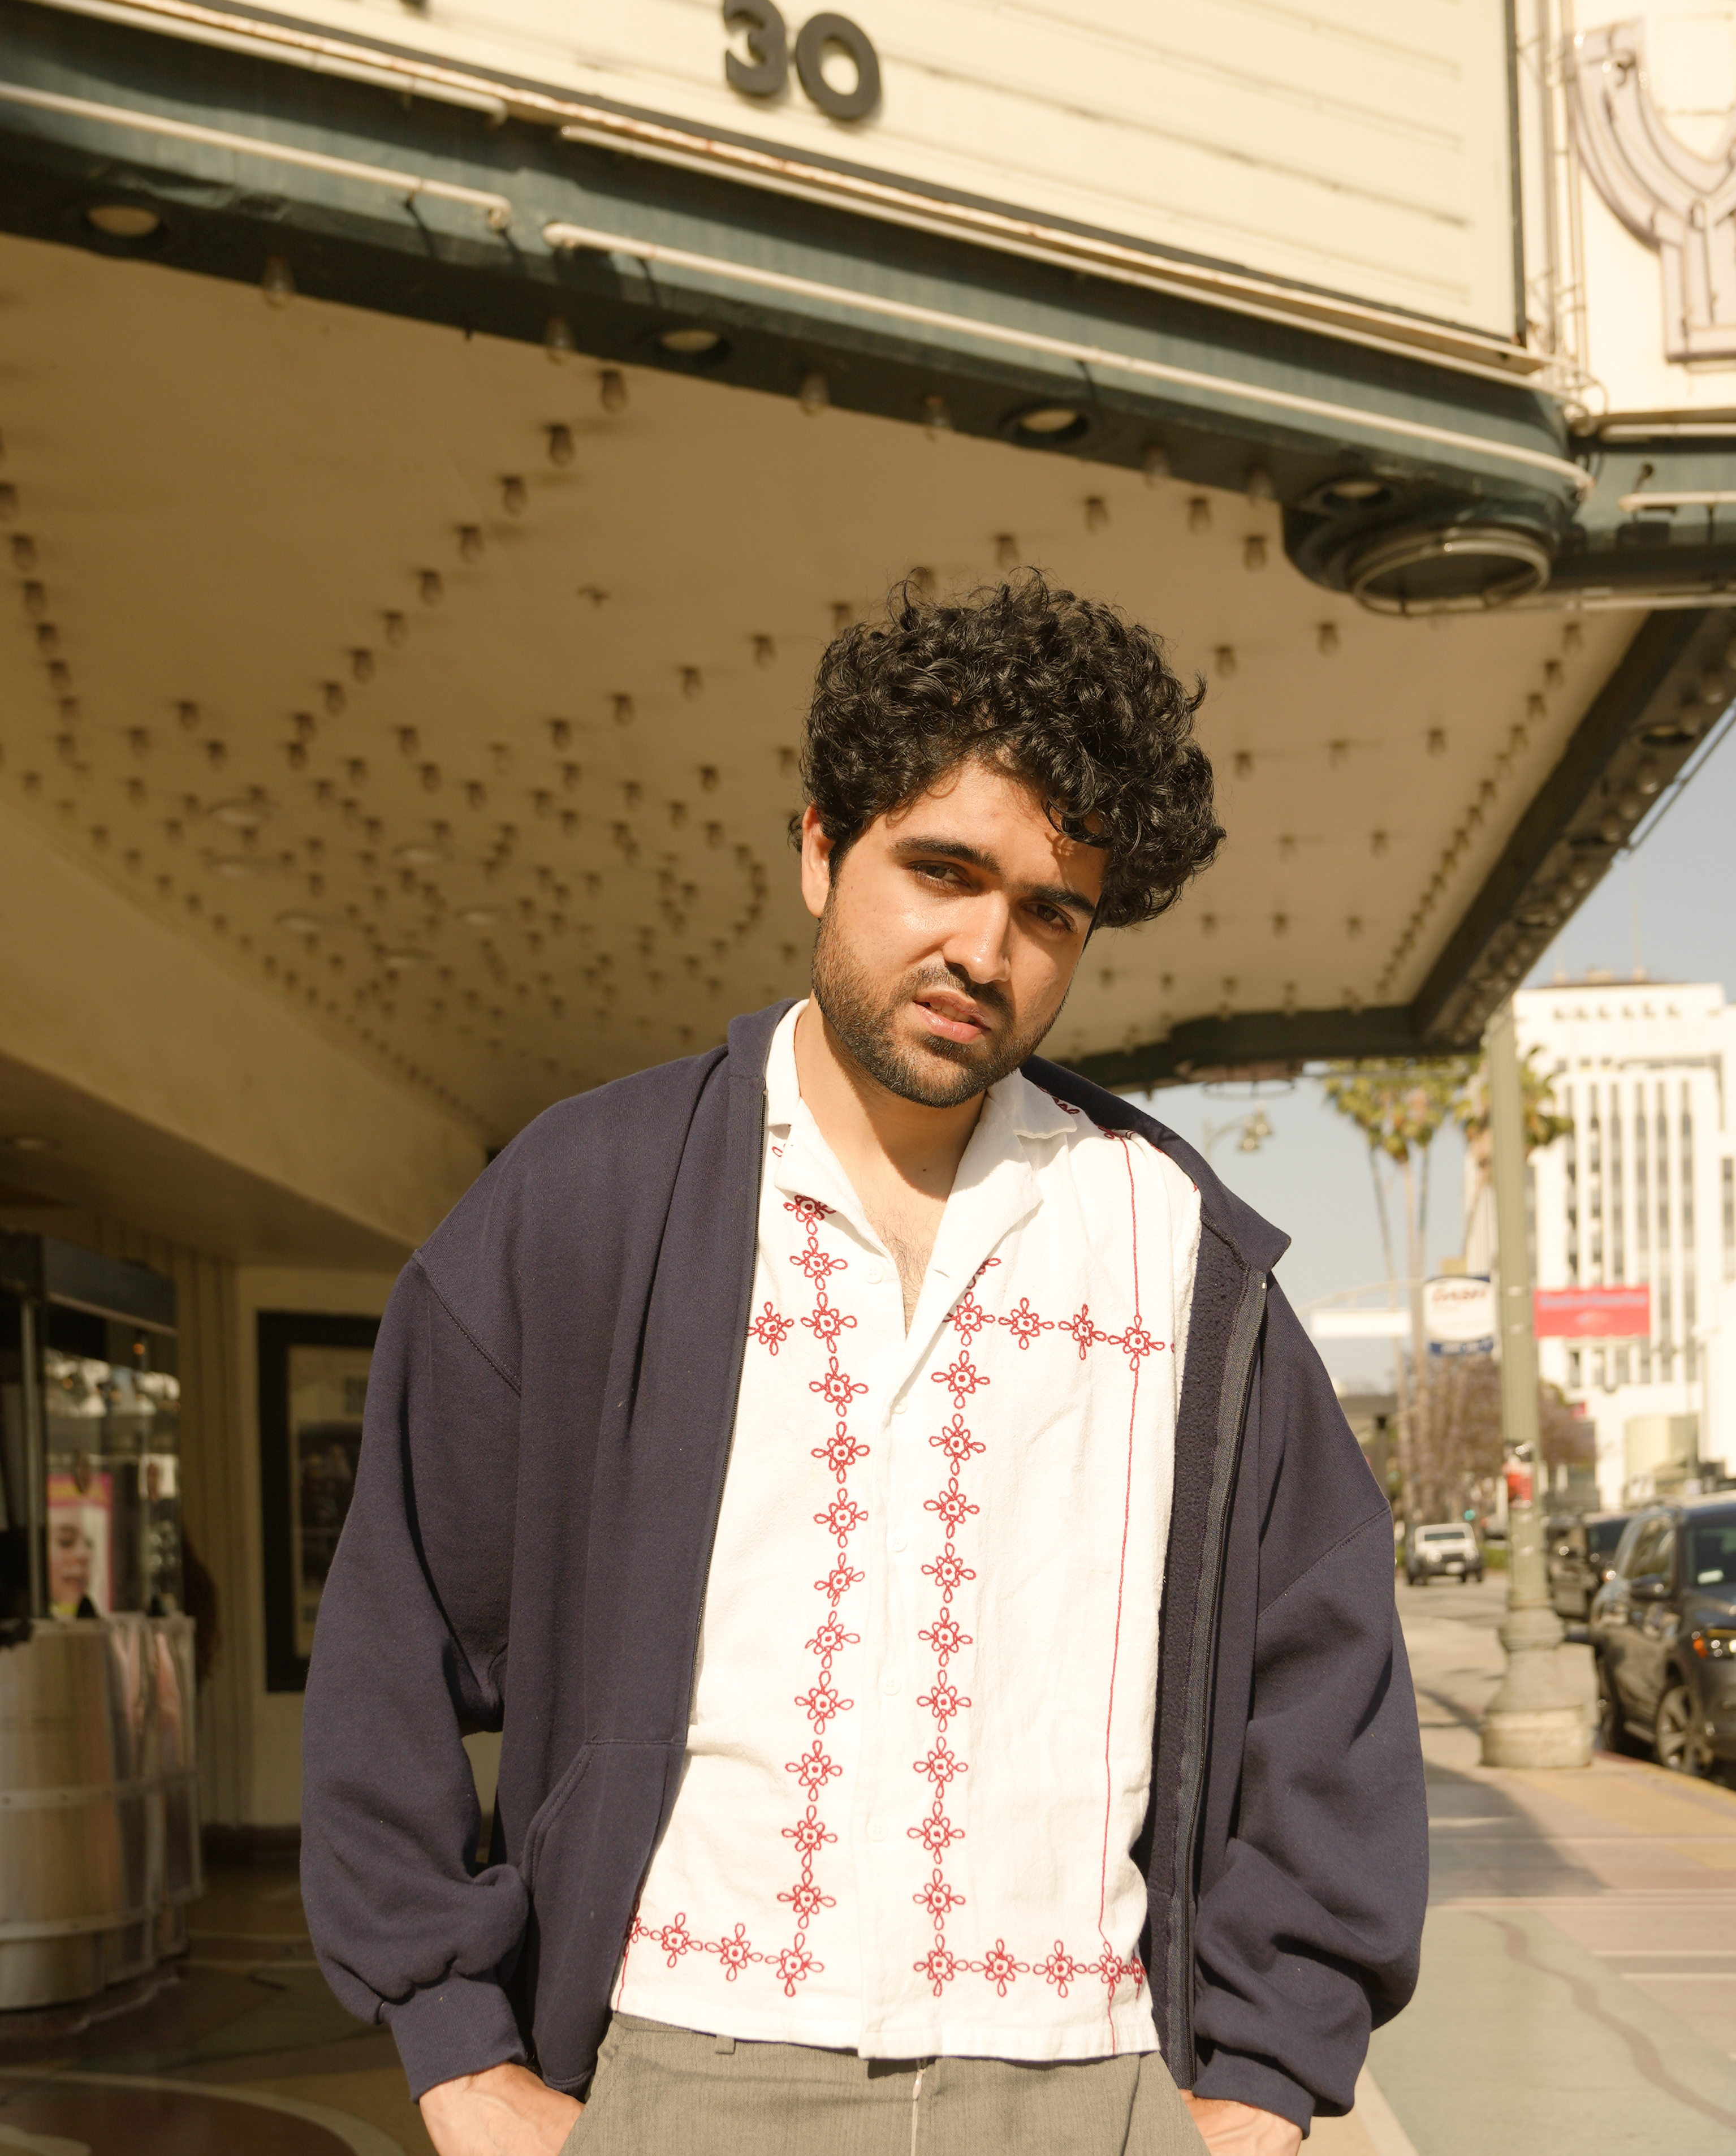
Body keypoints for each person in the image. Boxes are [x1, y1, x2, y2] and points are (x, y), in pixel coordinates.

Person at [303, 574, 1427, 2156]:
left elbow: (1326, 1676)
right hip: (685, 2067)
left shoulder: (1180, 1249)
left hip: (1087, 2079)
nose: (988, 948)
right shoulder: (590, 1205)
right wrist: (452, 2042)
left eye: (1051, 910)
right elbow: (394, 1631)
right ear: (823, 845)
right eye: (944, 870)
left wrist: (1262, 2074)